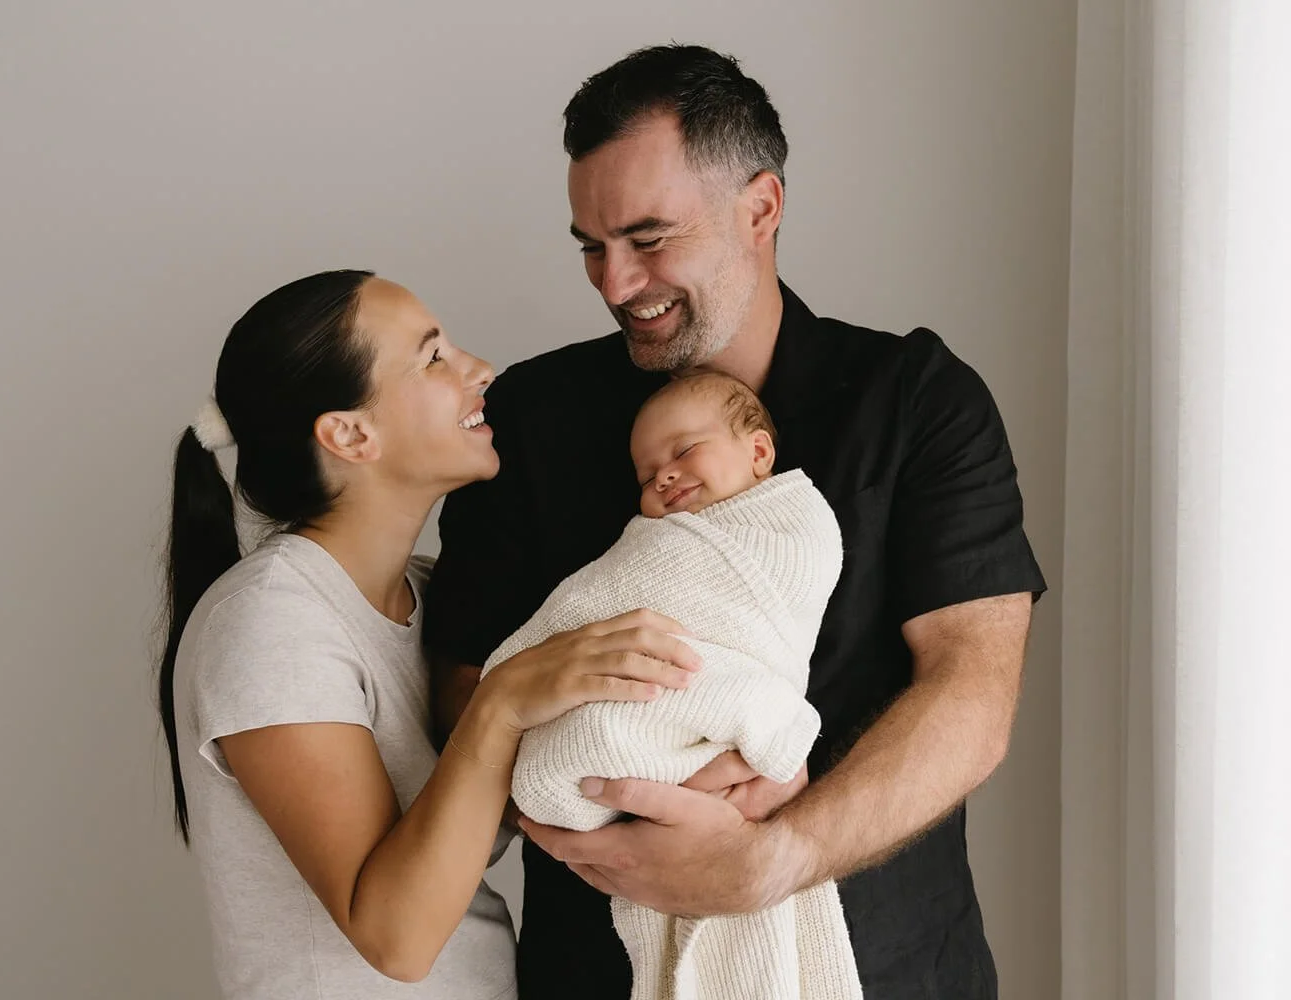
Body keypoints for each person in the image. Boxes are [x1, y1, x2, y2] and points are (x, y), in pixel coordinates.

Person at [423, 45, 1047, 1000]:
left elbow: (972, 694)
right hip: (599, 972)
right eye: (592, 245)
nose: (615, 282)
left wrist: (777, 856)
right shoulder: (531, 417)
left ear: (762, 209)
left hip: (892, 970)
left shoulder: (917, 399)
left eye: (648, 236)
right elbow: (463, 696)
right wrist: (601, 799)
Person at [153, 269, 702, 1000]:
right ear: (350, 433)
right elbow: (396, 938)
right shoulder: (269, 620)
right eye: (434, 357)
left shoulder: (433, 599)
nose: (481, 371)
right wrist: (503, 703)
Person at [483, 371, 864, 1000]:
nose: (662, 476)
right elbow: (601, 597)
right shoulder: (658, 546)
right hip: (646, 716)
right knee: (577, 747)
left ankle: (693, 772)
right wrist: (518, 669)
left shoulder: (799, 529)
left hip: (719, 705)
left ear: (759, 454)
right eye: (645, 475)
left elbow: (776, 621)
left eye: (684, 451)